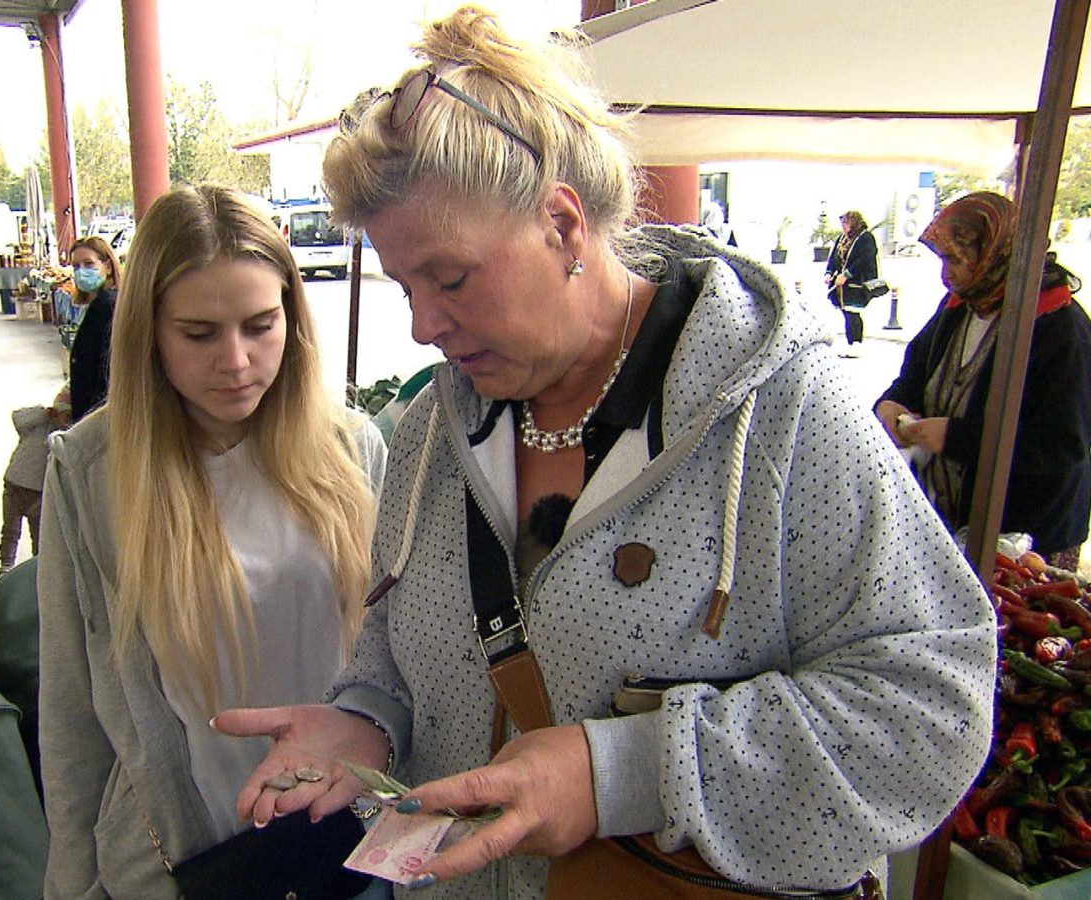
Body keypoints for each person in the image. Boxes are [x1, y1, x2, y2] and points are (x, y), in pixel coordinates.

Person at [212, 7, 998, 897]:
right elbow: (396, 645)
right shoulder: (435, 428)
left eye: (451, 276)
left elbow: (932, 706)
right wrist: (365, 722)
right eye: (404, 283)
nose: (424, 325)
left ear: (561, 222)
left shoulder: (780, 410)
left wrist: (623, 770)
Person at [37, 184, 388, 898]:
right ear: (150, 334)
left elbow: (401, 665)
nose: (235, 361)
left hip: (347, 839)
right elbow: (72, 712)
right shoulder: (91, 474)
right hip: (187, 858)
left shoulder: (353, 451)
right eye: (199, 334)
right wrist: (71, 884)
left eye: (261, 326)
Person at [875, 191, 1091, 571]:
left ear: (995, 255)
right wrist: (893, 403)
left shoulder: (1061, 329)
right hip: (956, 517)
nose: (946, 274)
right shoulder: (962, 304)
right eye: (942, 259)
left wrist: (956, 437)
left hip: (1027, 534)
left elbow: (1061, 444)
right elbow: (916, 373)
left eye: (955, 260)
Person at [0, 383, 70, 574]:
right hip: (15, 485)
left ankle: (37, 569)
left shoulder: (66, 437)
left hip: (40, 493)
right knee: (10, 531)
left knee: (39, 536)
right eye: (63, 414)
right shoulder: (38, 424)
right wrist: (44, 413)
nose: (65, 419)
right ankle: (6, 565)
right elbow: (18, 418)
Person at [66, 235, 121, 421]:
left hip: (99, 415)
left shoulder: (107, 305)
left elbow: (107, 369)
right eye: (76, 266)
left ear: (107, 265)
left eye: (89, 264)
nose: (81, 271)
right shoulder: (97, 303)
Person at [824, 210, 879, 356]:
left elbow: (864, 259)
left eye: (846, 222)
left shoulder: (865, 238)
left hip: (857, 283)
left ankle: (856, 343)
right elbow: (834, 257)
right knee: (847, 312)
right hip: (843, 285)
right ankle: (851, 342)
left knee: (853, 313)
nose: (843, 225)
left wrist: (847, 274)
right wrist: (829, 273)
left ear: (854, 223)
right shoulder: (842, 238)